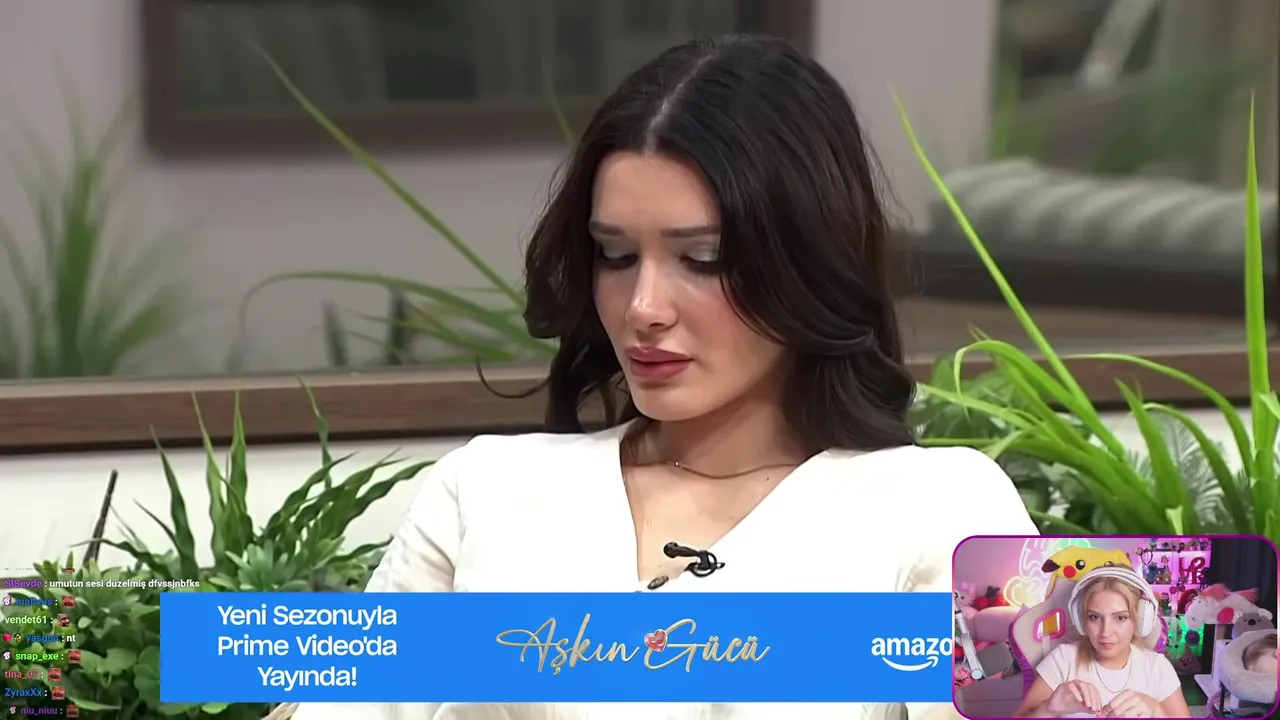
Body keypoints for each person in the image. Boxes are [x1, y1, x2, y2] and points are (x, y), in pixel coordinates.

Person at [292, 33, 1036, 720]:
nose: (644, 308)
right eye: (616, 256)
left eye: (702, 260)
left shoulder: (942, 507)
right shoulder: (483, 488)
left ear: (809, 261)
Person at [1013, 567, 1191, 718]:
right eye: (1095, 617)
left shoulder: (1157, 668)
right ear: (1081, 620)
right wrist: (1048, 708)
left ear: (1140, 620)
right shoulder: (1063, 660)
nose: (1106, 632)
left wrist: (1157, 711)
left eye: (1120, 618)